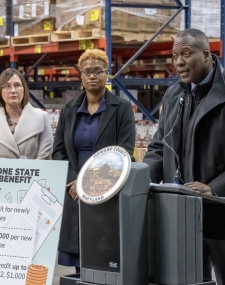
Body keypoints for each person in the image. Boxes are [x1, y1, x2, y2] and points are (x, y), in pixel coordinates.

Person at [144, 28, 225, 285]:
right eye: (175, 56)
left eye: (186, 53)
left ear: (206, 55)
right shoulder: (174, 95)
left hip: (224, 212)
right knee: (192, 279)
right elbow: (160, 147)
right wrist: (139, 179)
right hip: (183, 211)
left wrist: (214, 188)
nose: (179, 62)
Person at [53, 49, 136, 271]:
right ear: (80, 76)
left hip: (107, 192)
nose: (92, 76)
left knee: (104, 257)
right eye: (87, 72)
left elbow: (125, 152)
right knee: (80, 258)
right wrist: (76, 183)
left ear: (107, 74)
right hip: (74, 193)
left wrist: (89, 184)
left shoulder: (122, 109)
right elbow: (58, 151)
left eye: (98, 71)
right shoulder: (69, 110)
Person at [0, 68, 53, 159]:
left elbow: (45, 157)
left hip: (32, 172)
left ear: (24, 89)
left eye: (17, 85)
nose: (13, 90)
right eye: (7, 86)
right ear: (0, 92)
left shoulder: (41, 118)